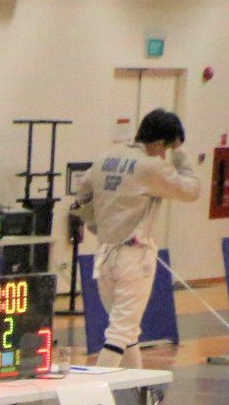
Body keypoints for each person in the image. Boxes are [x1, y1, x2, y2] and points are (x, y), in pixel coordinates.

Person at [74, 109, 201, 369]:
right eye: (167, 147)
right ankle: (97, 397)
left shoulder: (106, 157)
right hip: (134, 257)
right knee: (120, 333)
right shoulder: (152, 165)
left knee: (126, 329)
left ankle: (142, 393)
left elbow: (83, 193)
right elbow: (191, 190)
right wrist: (179, 153)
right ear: (160, 143)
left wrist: (96, 223)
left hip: (104, 255)